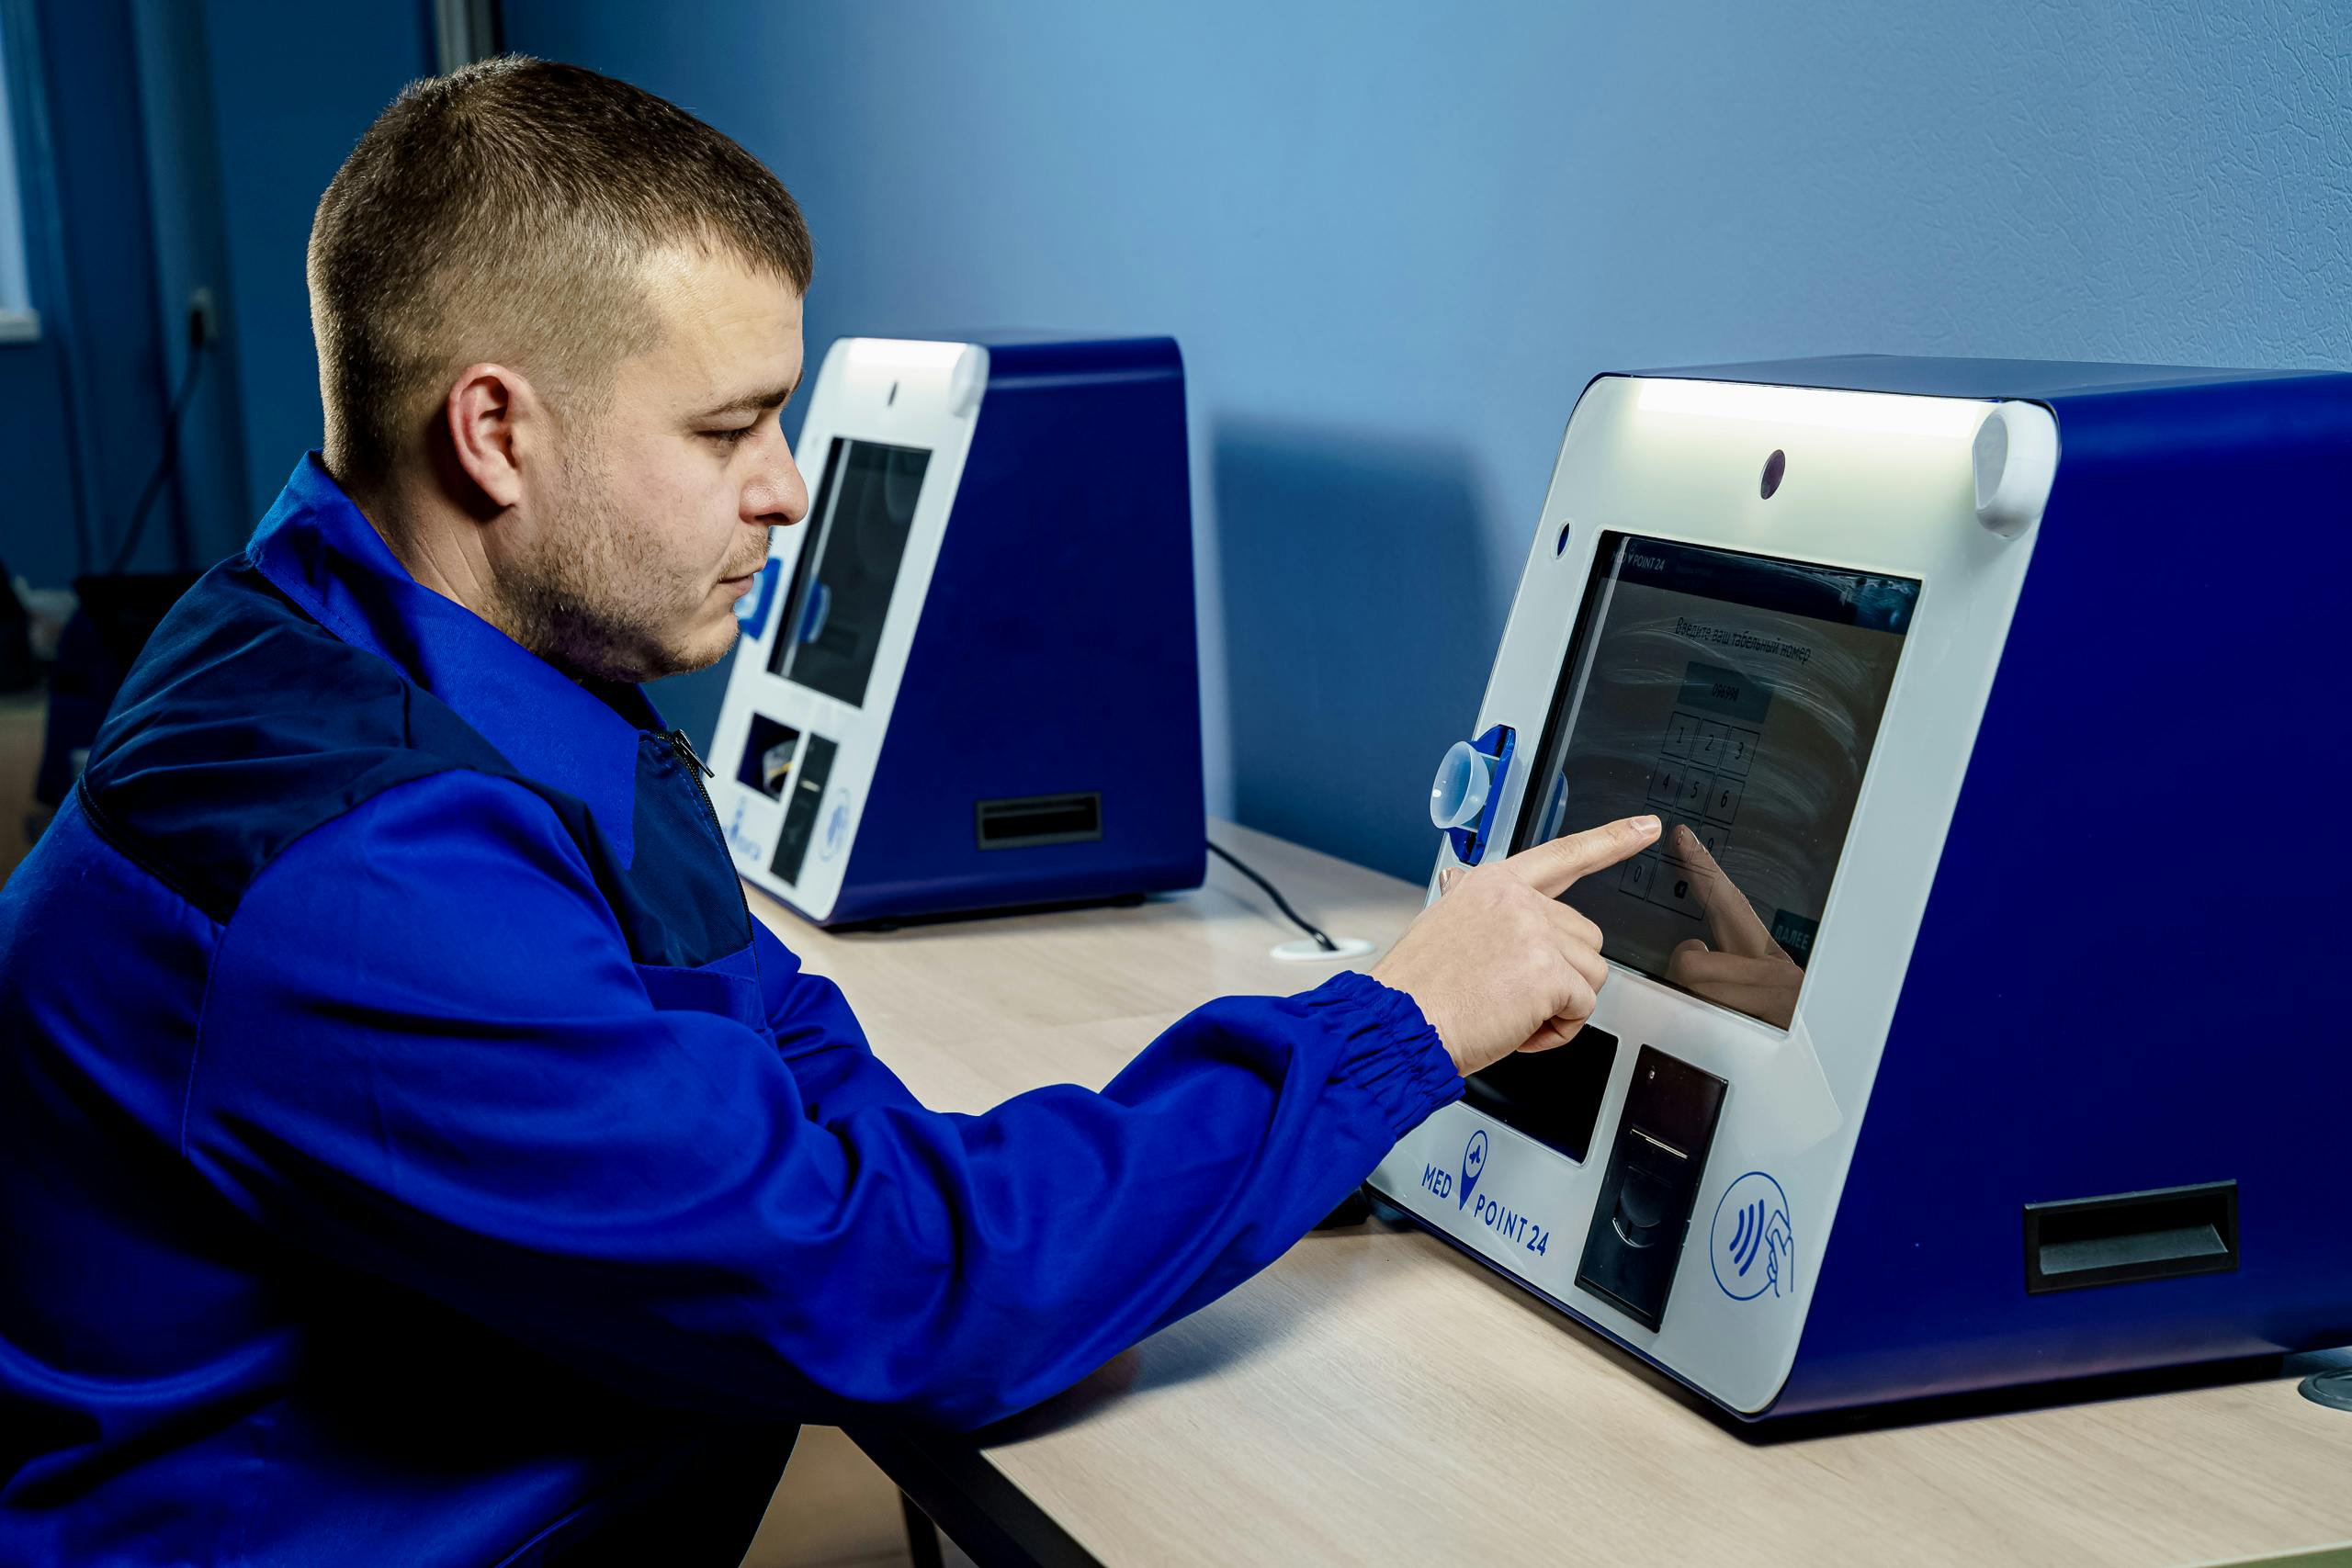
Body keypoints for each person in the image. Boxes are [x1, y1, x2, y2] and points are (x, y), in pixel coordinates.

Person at [0, 58, 1657, 1566]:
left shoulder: (359, 646)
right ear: (494, 432)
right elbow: (887, 1285)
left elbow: (786, 1062)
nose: (787, 483)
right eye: (727, 428)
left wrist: (1108, 1234)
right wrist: (1395, 1030)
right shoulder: (362, 883)